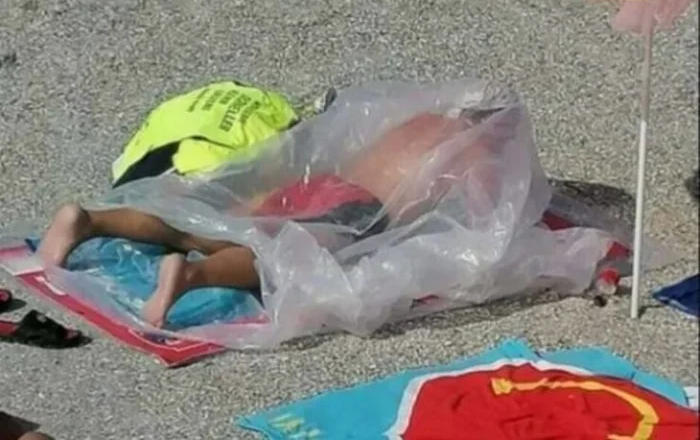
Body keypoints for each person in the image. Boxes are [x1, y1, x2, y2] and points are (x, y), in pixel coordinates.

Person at [38, 110, 505, 328]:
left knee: (207, 230)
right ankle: (191, 277)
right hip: (358, 208)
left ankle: (92, 222)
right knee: (274, 259)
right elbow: (488, 216)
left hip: (319, 184)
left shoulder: (418, 120)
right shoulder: (474, 146)